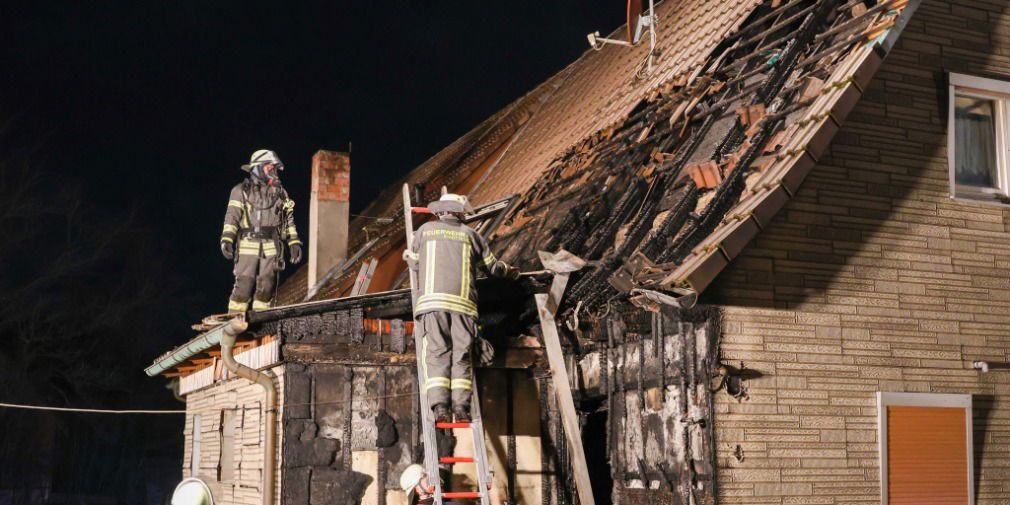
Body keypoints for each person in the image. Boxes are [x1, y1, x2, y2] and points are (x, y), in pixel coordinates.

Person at [407, 193, 518, 422]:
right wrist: (511, 271)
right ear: (460, 212)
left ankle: (439, 407)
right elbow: (493, 268)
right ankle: (461, 408)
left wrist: (408, 254)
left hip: (432, 304)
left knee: (437, 353)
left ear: (439, 211)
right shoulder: (472, 236)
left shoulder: (424, 232)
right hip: (463, 307)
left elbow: (414, 263)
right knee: (462, 356)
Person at [220, 149, 303, 313]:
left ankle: (260, 320)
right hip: (247, 244)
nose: (274, 171)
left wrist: (294, 242)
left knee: (267, 285)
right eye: (269, 167)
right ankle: (234, 321)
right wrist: (227, 239)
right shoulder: (240, 191)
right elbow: (232, 217)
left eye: (275, 168)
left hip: (271, 246)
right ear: (258, 168)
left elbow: (288, 221)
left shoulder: (280, 193)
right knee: (244, 284)